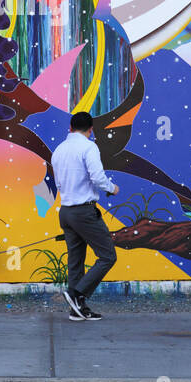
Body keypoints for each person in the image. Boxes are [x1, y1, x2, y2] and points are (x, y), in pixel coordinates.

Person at [50, 111, 118, 321]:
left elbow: (59, 182)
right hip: (84, 211)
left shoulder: (59, 150)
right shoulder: (89, 147)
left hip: (66, 211)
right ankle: (77, 294)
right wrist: (111, 188)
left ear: (70, 128)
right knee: (108, 256)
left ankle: (77, 309)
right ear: (91, 130)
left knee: (76, 261)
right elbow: (97, 177)